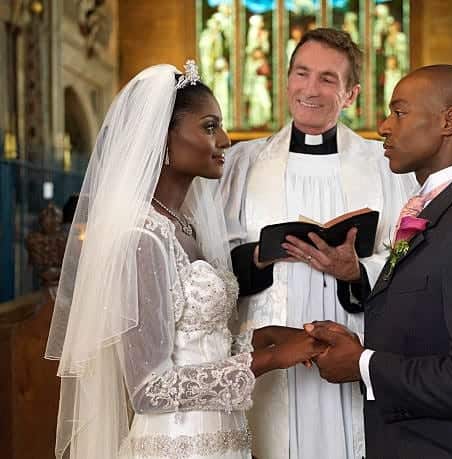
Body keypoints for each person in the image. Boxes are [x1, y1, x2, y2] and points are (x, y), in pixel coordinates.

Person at [45, 61, 326, 459]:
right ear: (161, 139)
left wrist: (261, 339)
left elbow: (201, 342)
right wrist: (268, 359)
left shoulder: (188, 226)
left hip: (224, 439)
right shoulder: (142, 237)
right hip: (175, 445)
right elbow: (149, 389)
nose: (226, 140)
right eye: (209, 127)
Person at [305, 64, 452, 458]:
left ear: (450, 121)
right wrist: (356, 347)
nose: (382, 126)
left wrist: (363, 364)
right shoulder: (439, 210)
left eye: (399, 112)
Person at [219, 28, 418, 459]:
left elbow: (409, 254)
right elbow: (211, 259)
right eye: (301, 74)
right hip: (269, 347)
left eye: (328, 79)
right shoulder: (242, 164)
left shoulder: (386, 168)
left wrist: (358, 269)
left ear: (351, 94)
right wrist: (258, 254)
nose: (310, 89)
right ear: (286, 79)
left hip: (354, 341)